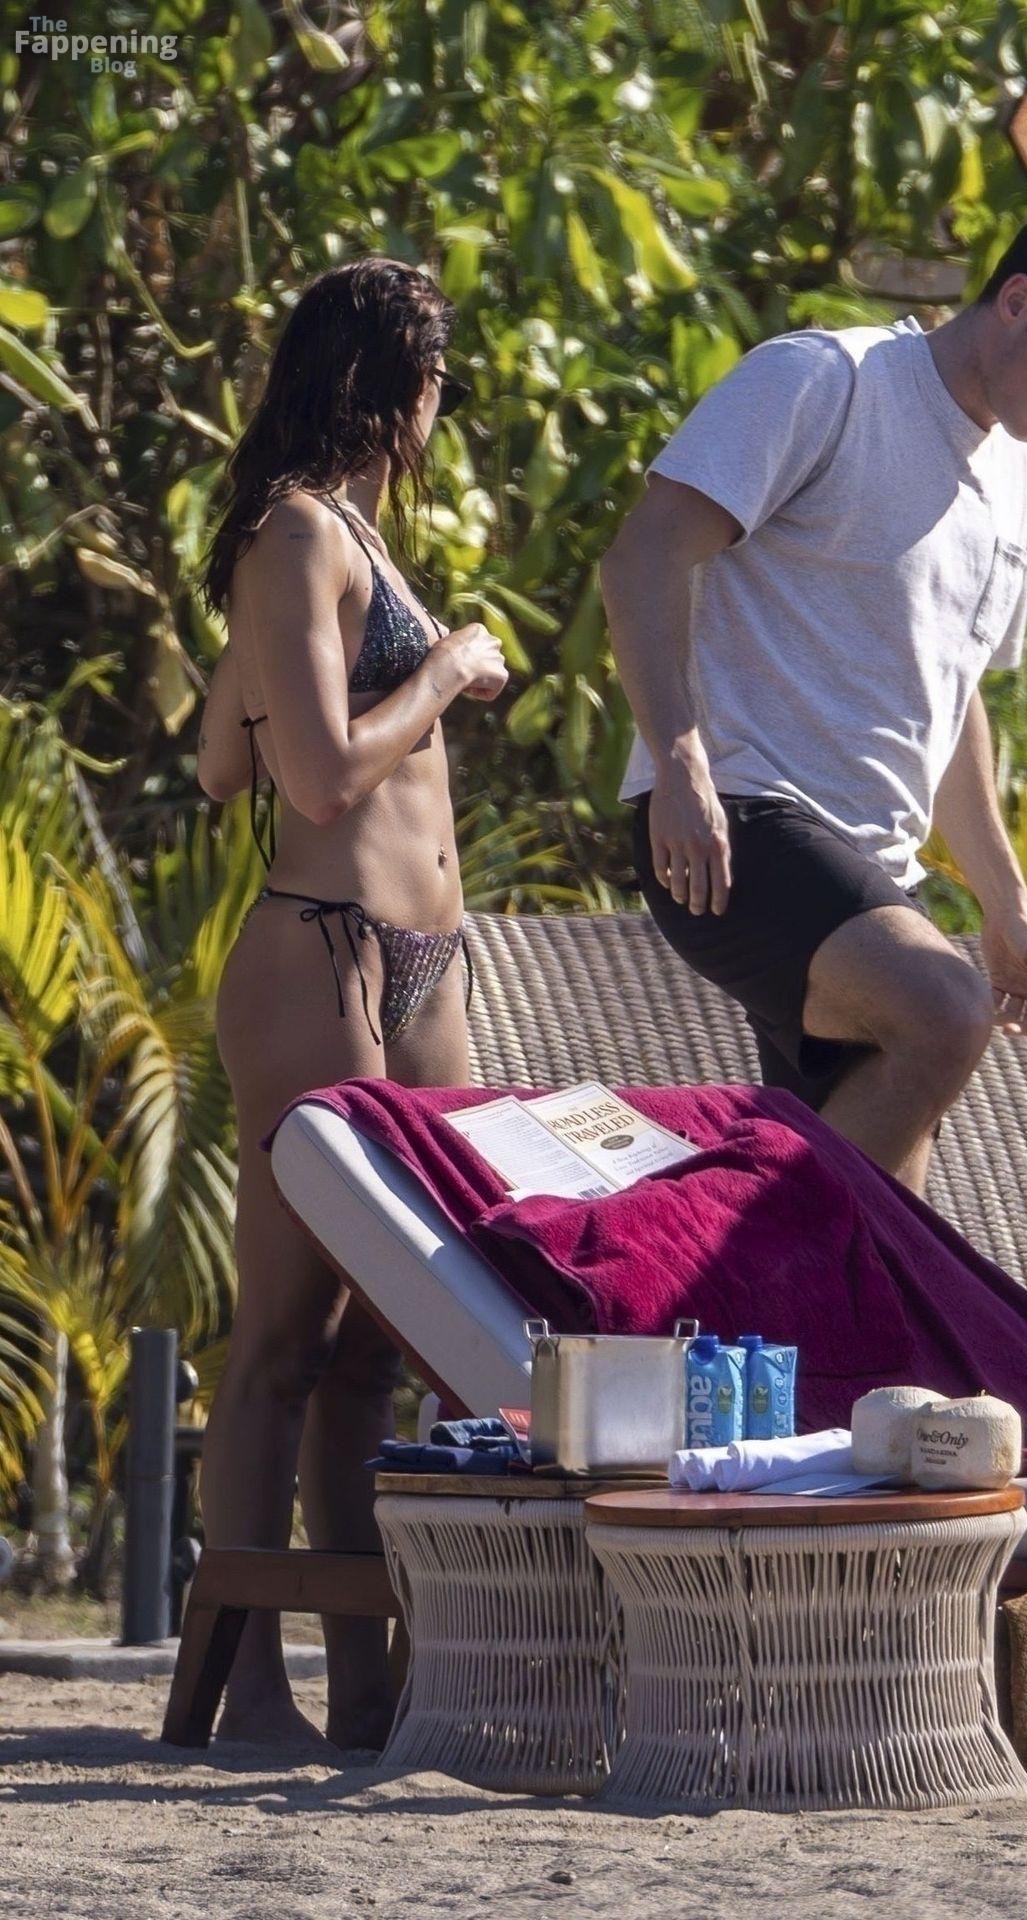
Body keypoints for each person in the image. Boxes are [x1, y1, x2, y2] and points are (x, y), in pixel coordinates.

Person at [602, 205, 1027, 1196]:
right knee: (944, 1008)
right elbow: (642, 556)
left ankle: (763, 1282)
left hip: (872, 874)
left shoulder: (1019, 478)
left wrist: (1006, 906)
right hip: (731, 823)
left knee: (890, 1224)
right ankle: (734, 1253)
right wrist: (680, 763)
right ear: (1014, 301)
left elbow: (953, 699)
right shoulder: (827, 381)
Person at [194, 258, 507, 1748]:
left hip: (422, 966)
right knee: (283, 1342)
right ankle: (249, 1681)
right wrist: (443, 668)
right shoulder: (299, 531)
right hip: (321, 959)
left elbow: (221, 763)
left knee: (390, 1337)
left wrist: (262, 670)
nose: (442, 409)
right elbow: (312, 783)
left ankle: (368, 1681)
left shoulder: (345, 537)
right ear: (397, 387)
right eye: (438, 383)